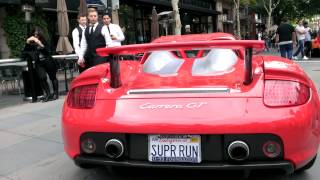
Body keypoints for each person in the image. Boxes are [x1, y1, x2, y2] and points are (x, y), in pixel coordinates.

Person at [24, 27, 59, 102]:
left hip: (48, 60)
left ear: (40, 34)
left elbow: (48, 51)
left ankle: (56, 93)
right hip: (39, 63)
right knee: (42, 78)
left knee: (52, 77)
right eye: (34, 34)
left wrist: (39, 43)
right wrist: (27, 42)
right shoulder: (31, 43)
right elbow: (25, 52)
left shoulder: (45, 41)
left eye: (37, 34)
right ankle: (48, 94)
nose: (35, 36)